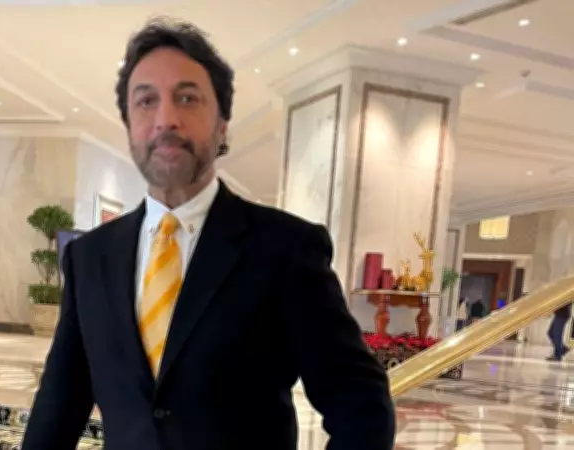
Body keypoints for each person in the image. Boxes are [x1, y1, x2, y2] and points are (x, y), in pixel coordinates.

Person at [21, 17, 395, 450]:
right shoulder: (90, 257)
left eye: (187, 98)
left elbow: (362, 408)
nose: (166, 119)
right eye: (145, 101)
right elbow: (59, 407)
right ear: (129, 126)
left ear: (222, 124)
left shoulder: (286, 250)